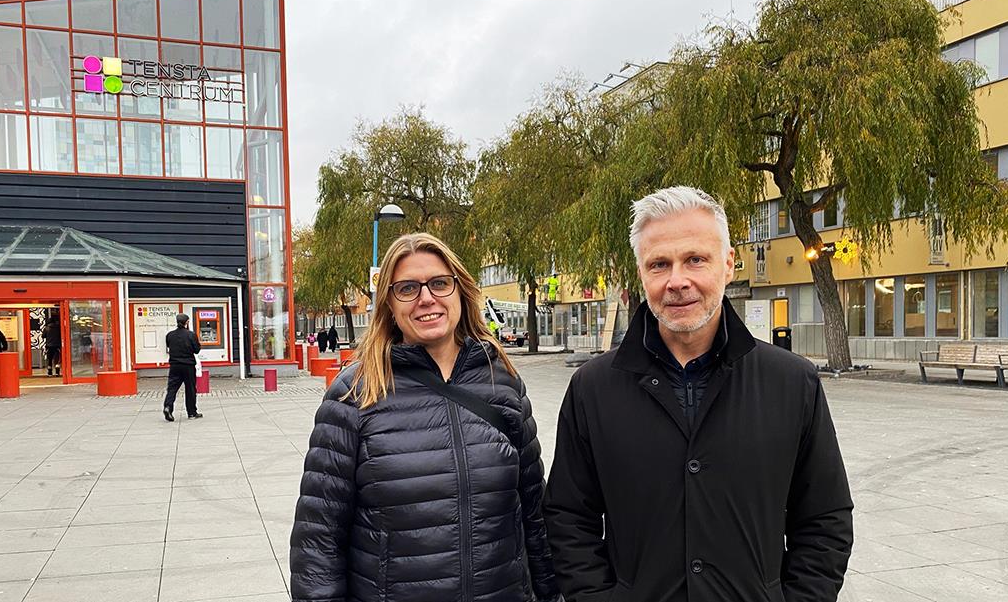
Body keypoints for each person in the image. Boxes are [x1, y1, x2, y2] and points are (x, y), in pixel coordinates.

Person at [543, 186, 853, 602]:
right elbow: (567, 517)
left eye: (695, 259)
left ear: (728, 265)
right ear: (642, 275)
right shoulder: (593, 388)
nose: (677, 281)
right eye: (659, 264)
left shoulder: (792, 383)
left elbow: (824, 517)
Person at [290, 232, 558, 602]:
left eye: (439, 283)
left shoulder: (502, 381)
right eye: (407, 288)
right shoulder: (354, 394)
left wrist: (551, 593)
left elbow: (534, 513)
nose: (426, 298)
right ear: (389, 304)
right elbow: (318, 542)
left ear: (460, 290)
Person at [163, 313, 202, 422]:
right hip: (188, 366)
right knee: (190, 389)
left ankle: (168, 407)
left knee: (172, 388)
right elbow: (196, 350)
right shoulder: (191, 335)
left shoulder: (170, 335)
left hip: (174, 365)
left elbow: (169, 346)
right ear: (187, 322)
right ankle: (192, 412)